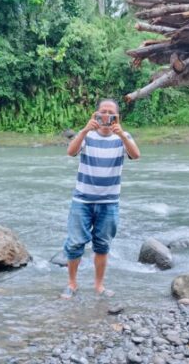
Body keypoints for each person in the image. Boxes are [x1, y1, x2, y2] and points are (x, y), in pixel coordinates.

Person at [61, 99, 141, 299]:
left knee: (103, 245)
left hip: (109, 202)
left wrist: (121, 134)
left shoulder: (123, 137)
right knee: (74, 243)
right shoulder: (87, 135)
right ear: (96, 114)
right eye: (103, 111)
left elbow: (136, 155)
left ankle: (99, 286)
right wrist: (83, 131)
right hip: (82, 200)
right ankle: (72, 284)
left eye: (110, 112)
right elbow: (70, 152)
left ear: (117, 116)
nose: (106, 115)